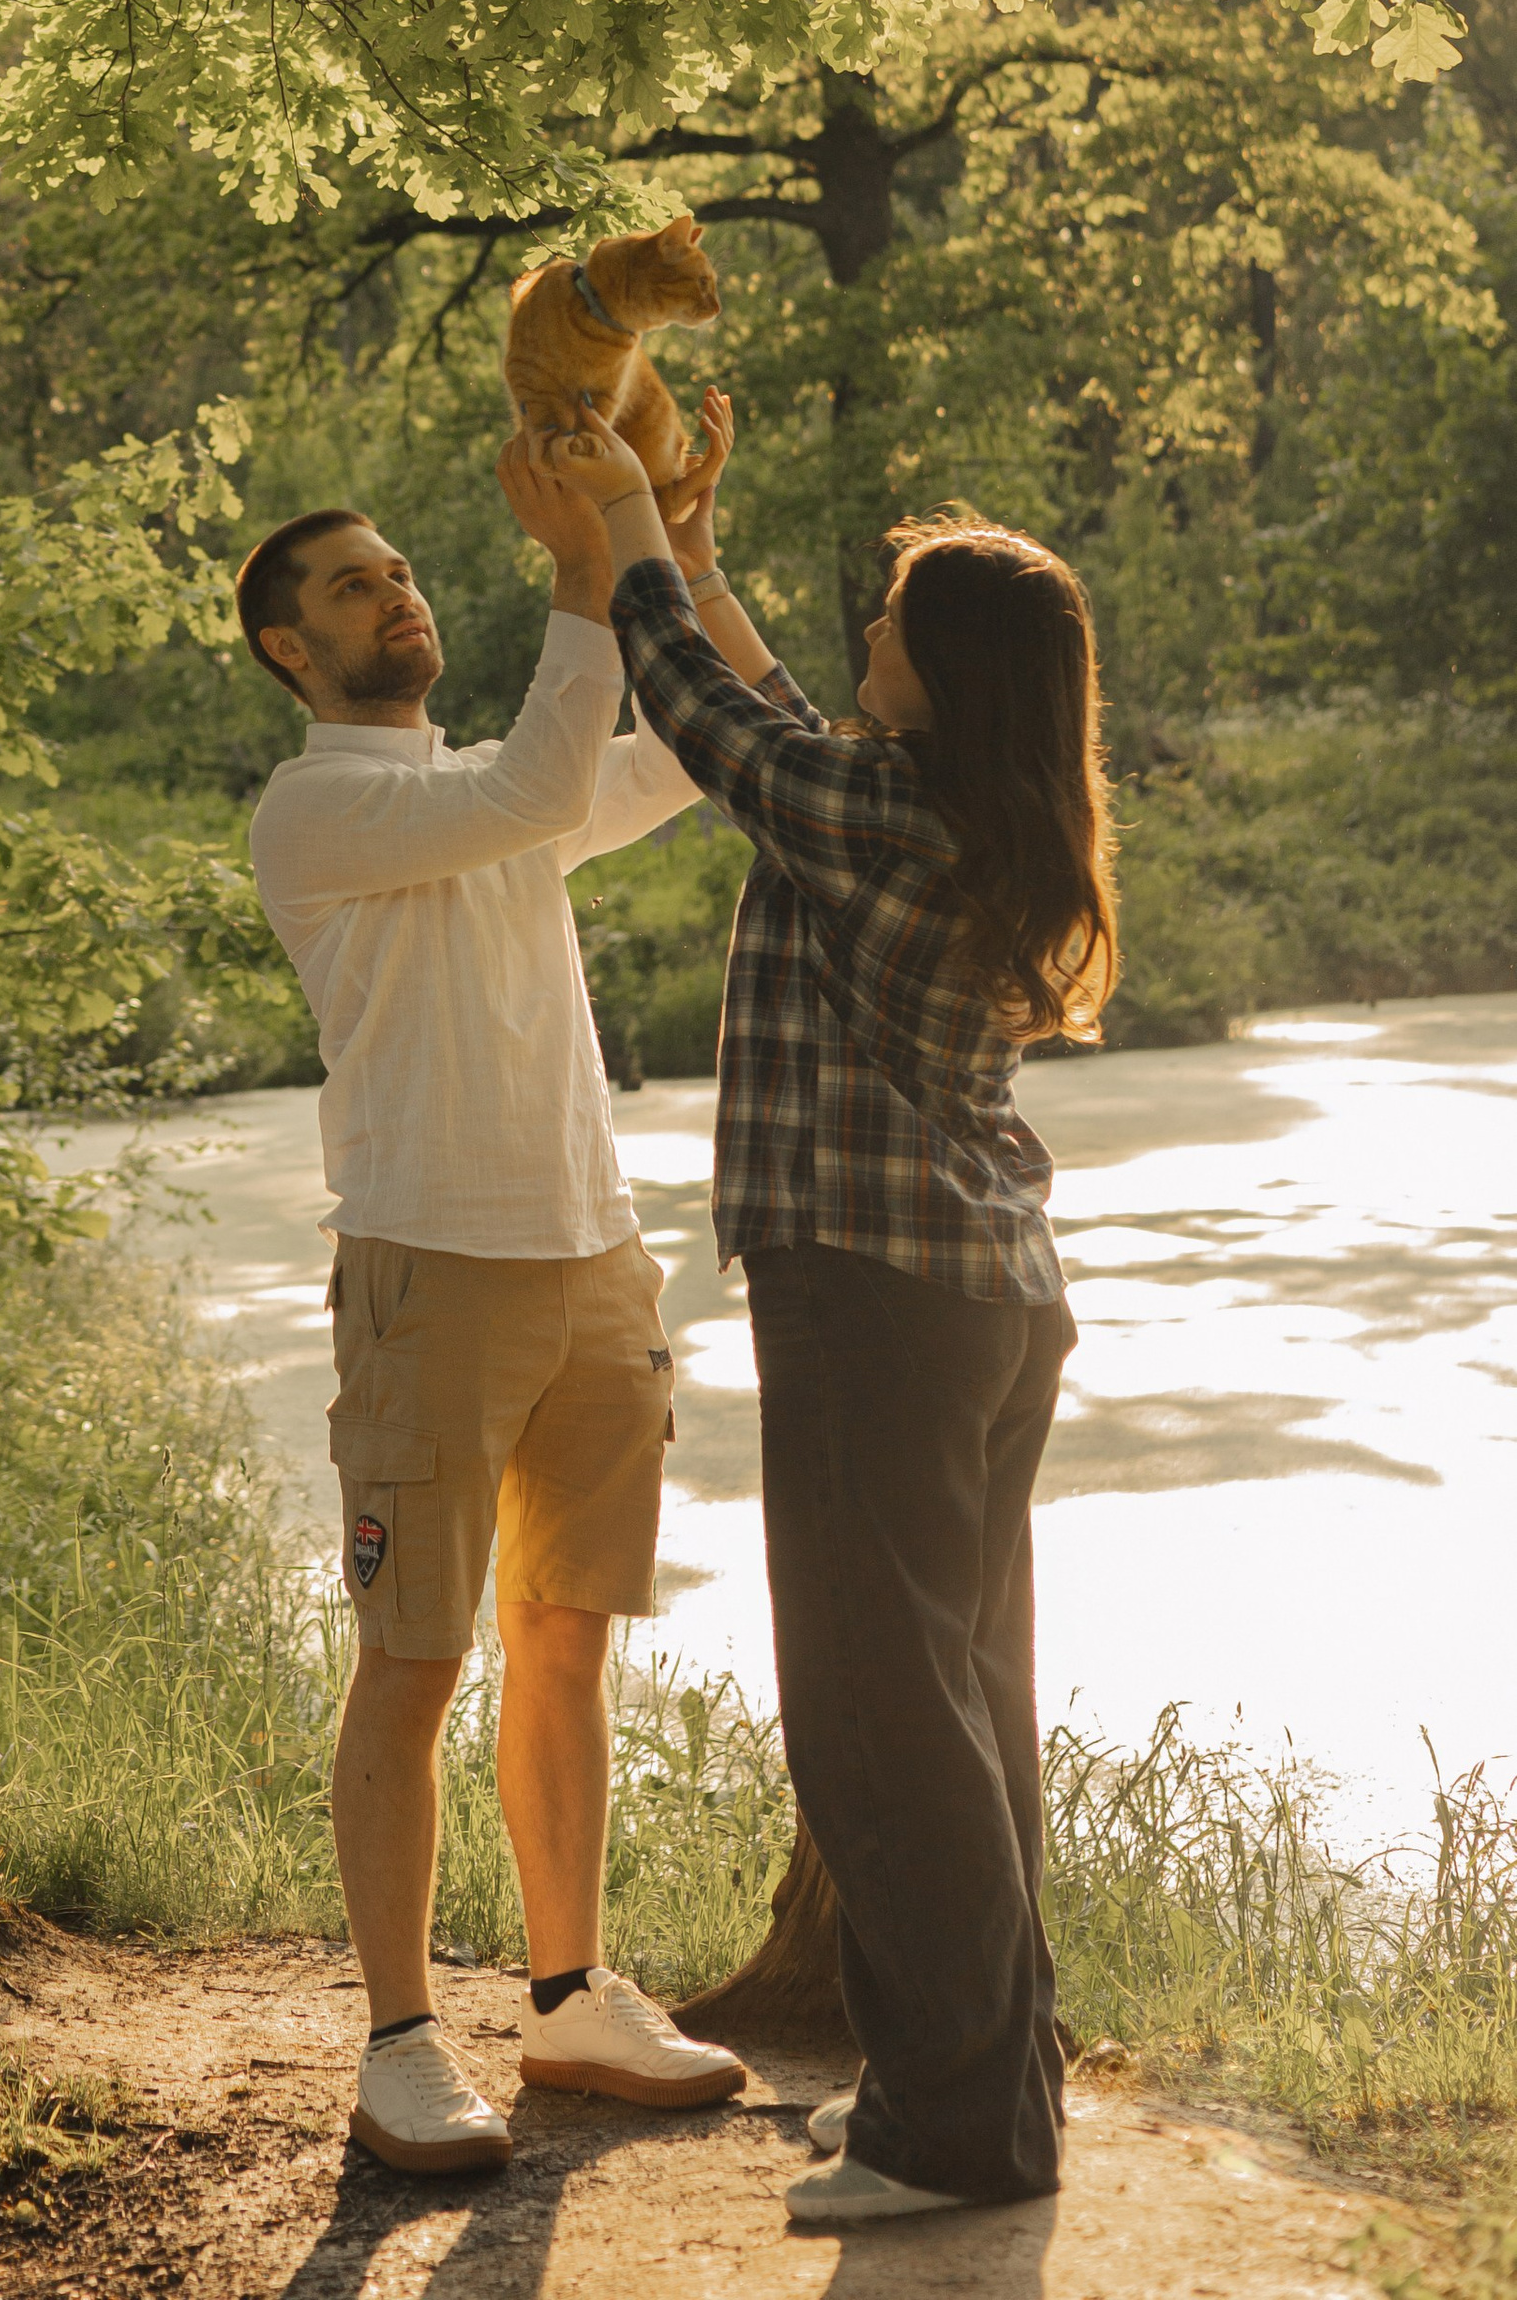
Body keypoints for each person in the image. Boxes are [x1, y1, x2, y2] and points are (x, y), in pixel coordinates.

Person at [540, 384, 1109, 2233]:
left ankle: (948, 2137)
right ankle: (985, 2095)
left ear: (947, 673)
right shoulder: (954, 805)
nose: (866, 628)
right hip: (983, 1300)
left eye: (892, 620)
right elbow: (781, 722)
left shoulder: (881, 812)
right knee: (965, 1709)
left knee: (877, 1718)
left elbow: (710, 723)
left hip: (874, 1303)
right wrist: (697, 548)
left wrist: (630, 529)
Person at [241, 438, 749, 2178]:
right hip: (428, 1271)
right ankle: (399, 2045)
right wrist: (588, 563)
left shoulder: (486, 783)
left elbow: (706, 740)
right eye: (352, 584)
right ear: (291, 649)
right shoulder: (317, 809)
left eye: (398, 568)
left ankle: (570, 2000)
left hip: (594, 1260)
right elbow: (547, 780)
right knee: (414, 1659)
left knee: (566, 1642)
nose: (395, 592)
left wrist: (673, 542)